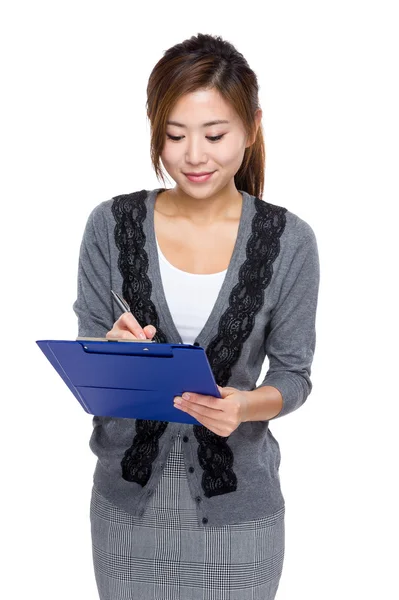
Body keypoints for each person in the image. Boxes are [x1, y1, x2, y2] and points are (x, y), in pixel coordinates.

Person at [73, 32, 320, 600]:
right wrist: (110, 351)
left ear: (252, 127)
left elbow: (294, 376)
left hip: (241, 515)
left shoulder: (289, 242)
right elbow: (87, 359)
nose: (193, 155)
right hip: (128, 511)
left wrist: (245, 406)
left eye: (214, 134)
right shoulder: (110, 227)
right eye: (174, 135)